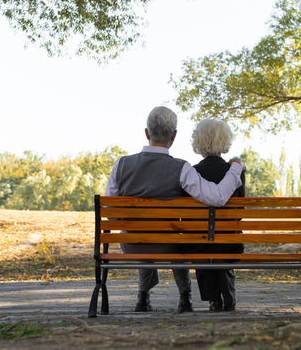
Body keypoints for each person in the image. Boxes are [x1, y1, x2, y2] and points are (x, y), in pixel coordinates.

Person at [104, 106, 244, 314]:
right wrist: (235, 168)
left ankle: (143, 297)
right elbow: (217, 196)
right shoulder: (181, 168)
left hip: (131, 246)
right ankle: (184, 297)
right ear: (175, 136)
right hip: (166, 247)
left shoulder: (121, 164)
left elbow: (110, 213)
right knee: (176, 237)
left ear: (146, 133)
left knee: (140, 234)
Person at [189, 118, 244, 312]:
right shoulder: (235, 172)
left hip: (199, 242)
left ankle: (214, 300)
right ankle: (229, 297)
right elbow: (240, 212)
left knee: (203, 245)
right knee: (222, 243)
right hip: (230, 242)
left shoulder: (192, 173)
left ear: (199, 142)